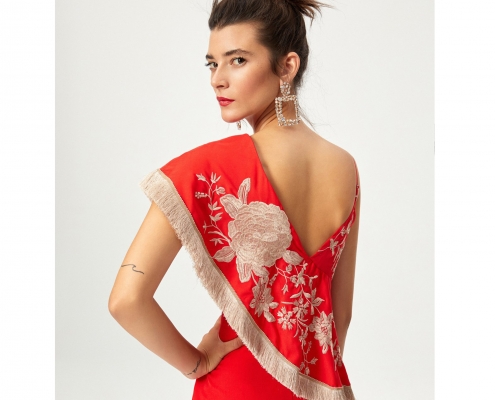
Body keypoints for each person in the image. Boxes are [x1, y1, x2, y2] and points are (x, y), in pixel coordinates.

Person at [108, 1, 360, 399]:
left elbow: (126, 300)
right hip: (318, 386)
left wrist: (196, 363)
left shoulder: (205, 167)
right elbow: (339, 316)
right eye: (212, 64)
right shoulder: (345, 167)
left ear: (287, 67)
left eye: (237, 60)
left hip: (234, 384)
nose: (218, 80)